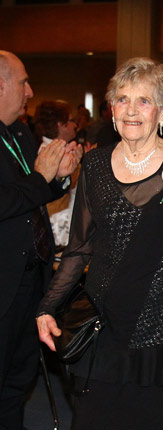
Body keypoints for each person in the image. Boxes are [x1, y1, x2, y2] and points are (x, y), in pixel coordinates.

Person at [36, 57, 163, 429]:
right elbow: (79, 247)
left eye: (143, 101)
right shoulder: (96, 164)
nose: (131, 110)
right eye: (122, 99)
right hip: (103, 328)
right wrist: (47, 307)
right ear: (112, 107)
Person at [0, 50, 82, 430]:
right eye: (23, 82)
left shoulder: (18, 132)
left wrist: (60, 178)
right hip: (3, 281)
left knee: (19, 381)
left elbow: (30, 196)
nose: (30, 91)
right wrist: (39, 179)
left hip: (29, 280)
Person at [32, 100, 79, 248]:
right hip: (58, 230)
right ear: (60, 124)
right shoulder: (51, 153)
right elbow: (61, 190)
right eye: (71, 121)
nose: (75, 125)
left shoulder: (54, 149)